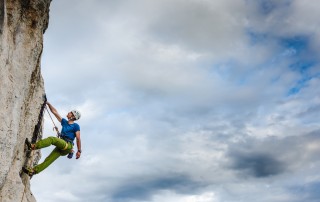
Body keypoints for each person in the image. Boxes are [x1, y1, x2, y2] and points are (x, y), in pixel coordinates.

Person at [23, 101, 82, 177]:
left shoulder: (76, 126)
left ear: (73, 116)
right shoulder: (64, 122)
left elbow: (78, 138)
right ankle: (33, 171)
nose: (69, 112)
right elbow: (55, 112)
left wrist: (79, 151)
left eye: (71, 112)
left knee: (52, 139)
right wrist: (48, 103)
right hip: (62, 145)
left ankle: (33, 146)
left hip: (67, 145)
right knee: (49, 159)